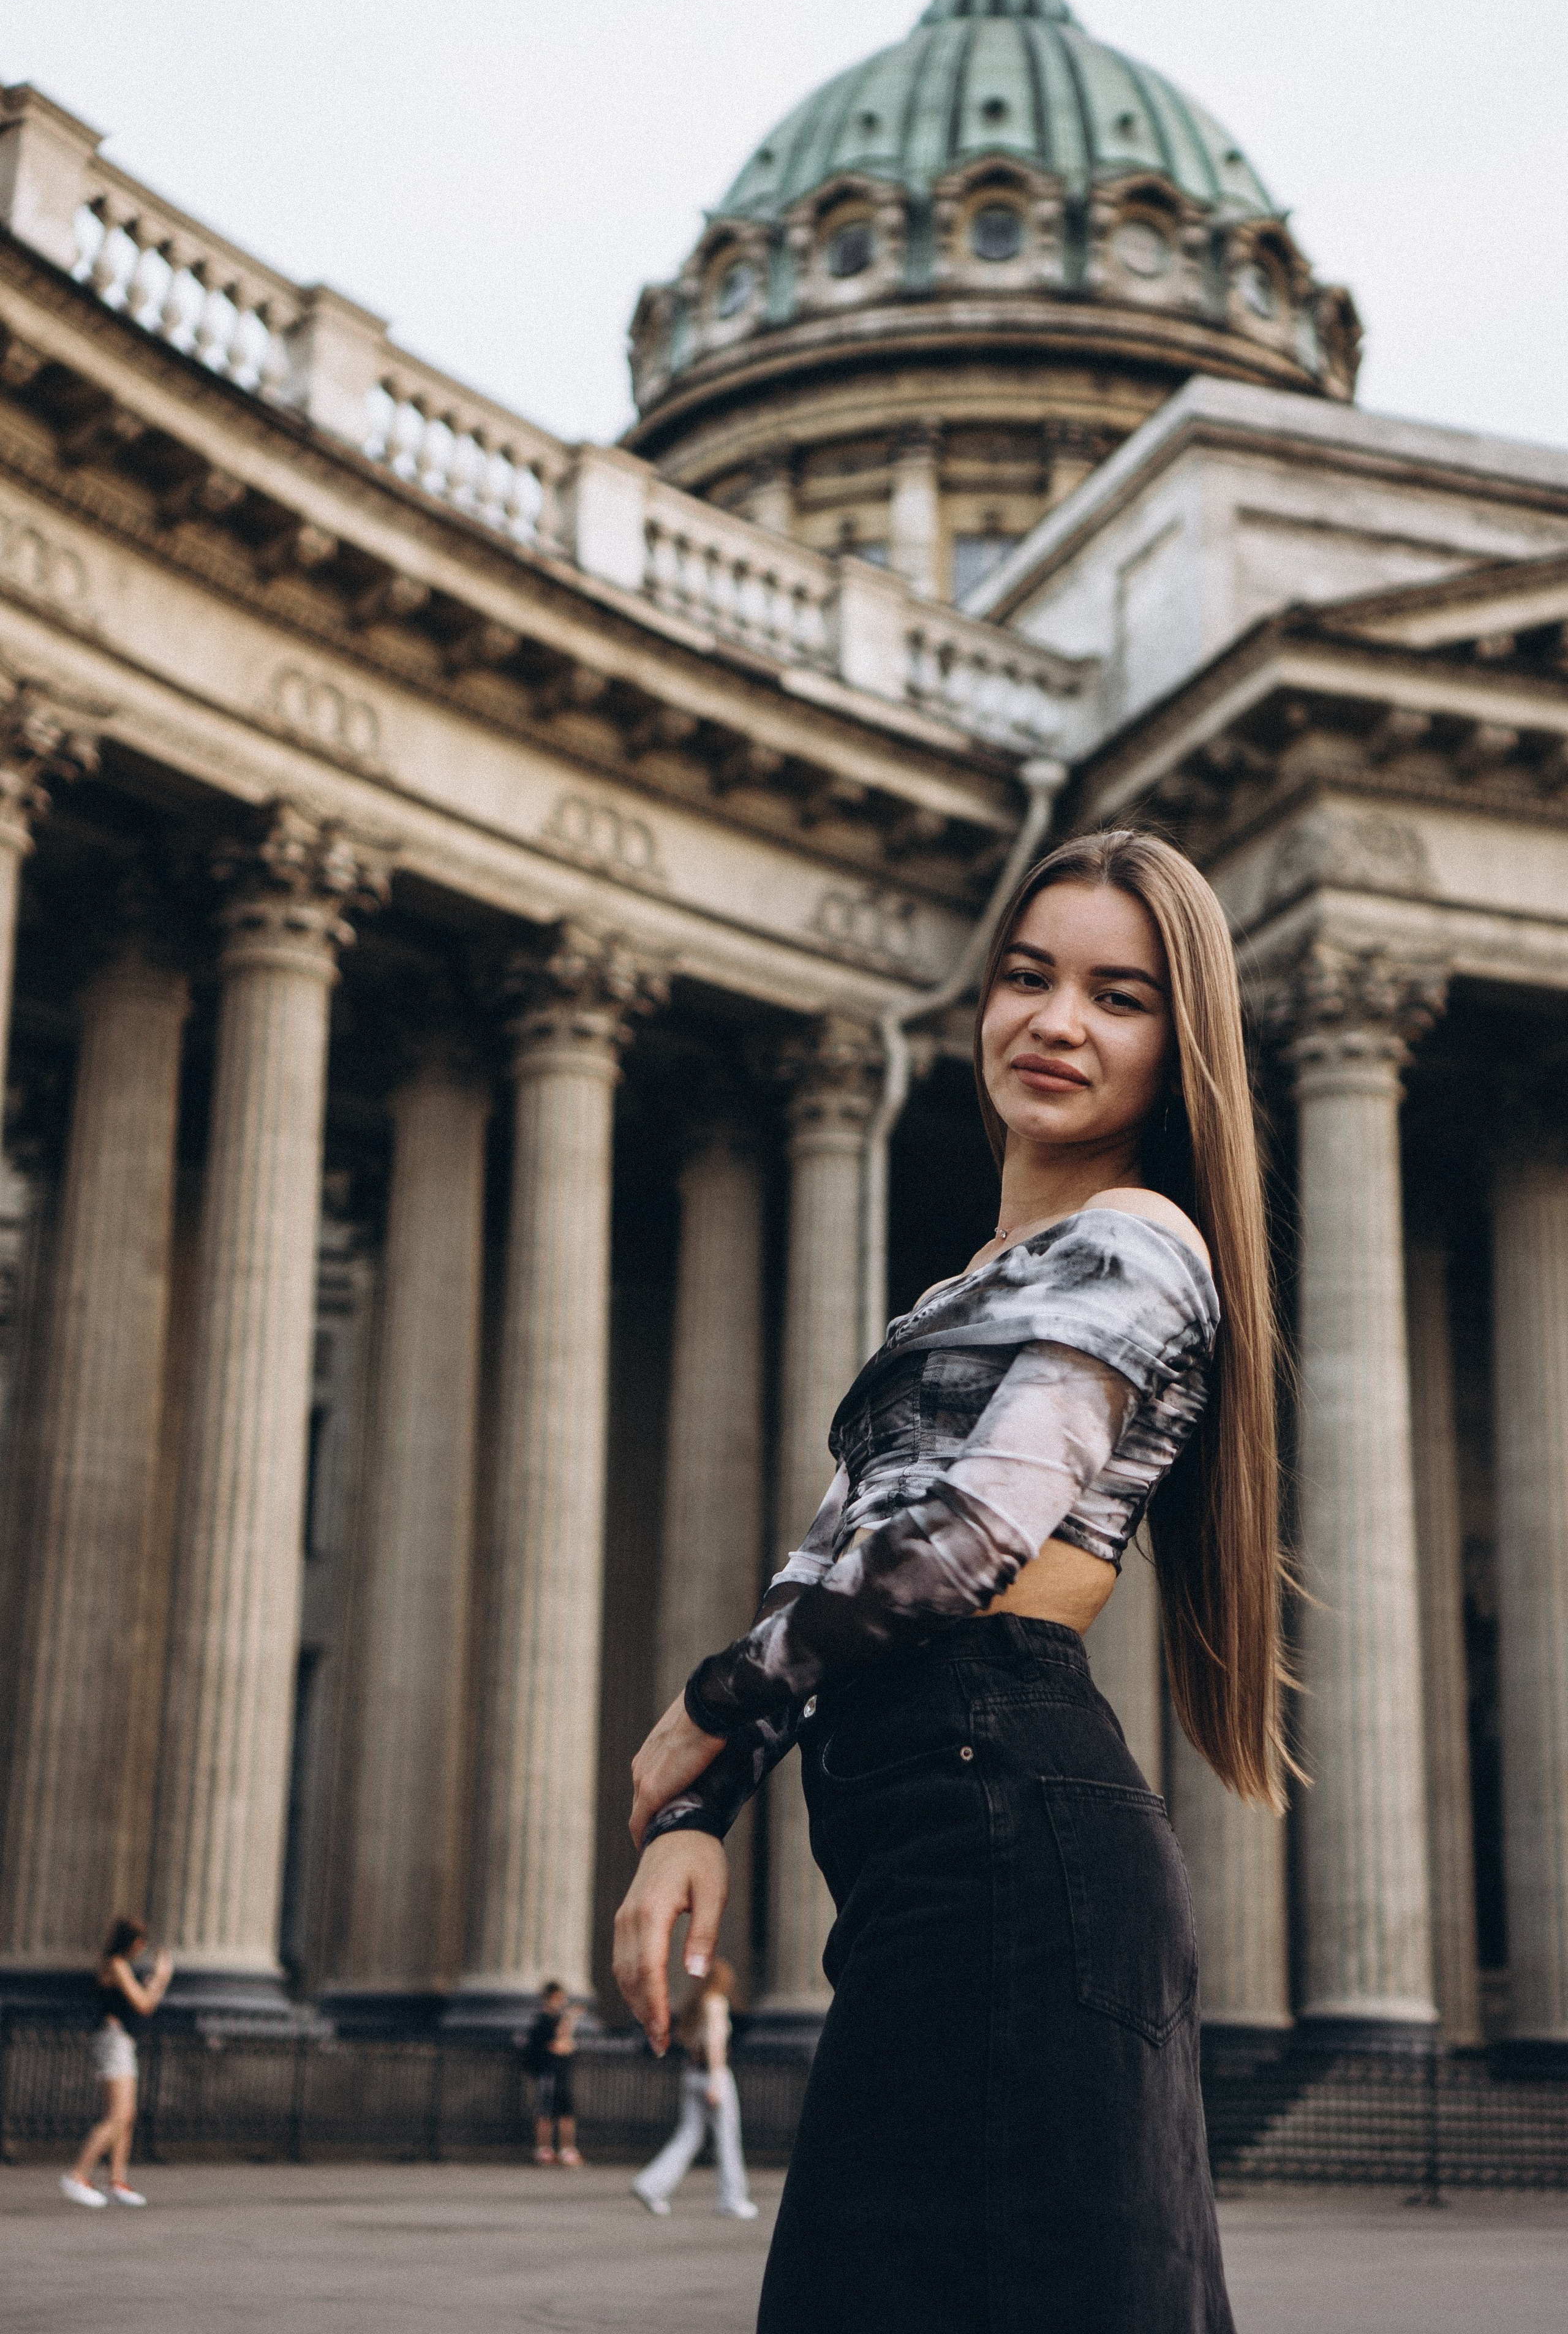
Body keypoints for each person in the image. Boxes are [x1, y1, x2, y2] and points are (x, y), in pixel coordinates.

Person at [614, 829, 1290, 2333]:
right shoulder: (967, 1284)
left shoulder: (1137, 1238)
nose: (1054, 1020)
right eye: (1026, 976)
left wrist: (710, 1701)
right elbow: (830, 1561)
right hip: (948, 1835)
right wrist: (694, 1806)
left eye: (1117, 996)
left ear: (1179, 1049)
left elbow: (973, 1534)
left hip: (1007, 1826)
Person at [633, 1958, 758, 2220]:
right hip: (714, 2076)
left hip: (692, 2074)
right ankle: (732, 2199)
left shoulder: (696, 2004)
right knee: (728, 2140)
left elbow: (691, 2042)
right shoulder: (716, 2003)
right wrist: (716, 2080)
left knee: (689, 2135)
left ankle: (650, 2185)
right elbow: (715, 2044)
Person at [60, 1916, 172, 2208]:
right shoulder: (117, 1965)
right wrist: (160, 1980)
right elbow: (144, 2005)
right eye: (141, 1942)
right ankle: (78, 2175)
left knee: (127, 2115)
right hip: (113, 2040)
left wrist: (152, 1983)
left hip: (120, 2040)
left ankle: (117, 2181)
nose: (142, 1948)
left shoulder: (117, 1965)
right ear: (133, 1942)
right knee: (117, 2115)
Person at [524, 1981, 584, 2166]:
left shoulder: (555, 2019)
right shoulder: (543, 2020)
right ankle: (544, 2150)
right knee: (546, 2112)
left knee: (567, 2112)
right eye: (559, 1998)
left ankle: (567, 2149)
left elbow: (567, 2046)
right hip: (549, 2072)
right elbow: (558, 2042)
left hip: (562, 2071)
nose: (562, 2002)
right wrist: (569, 2019)